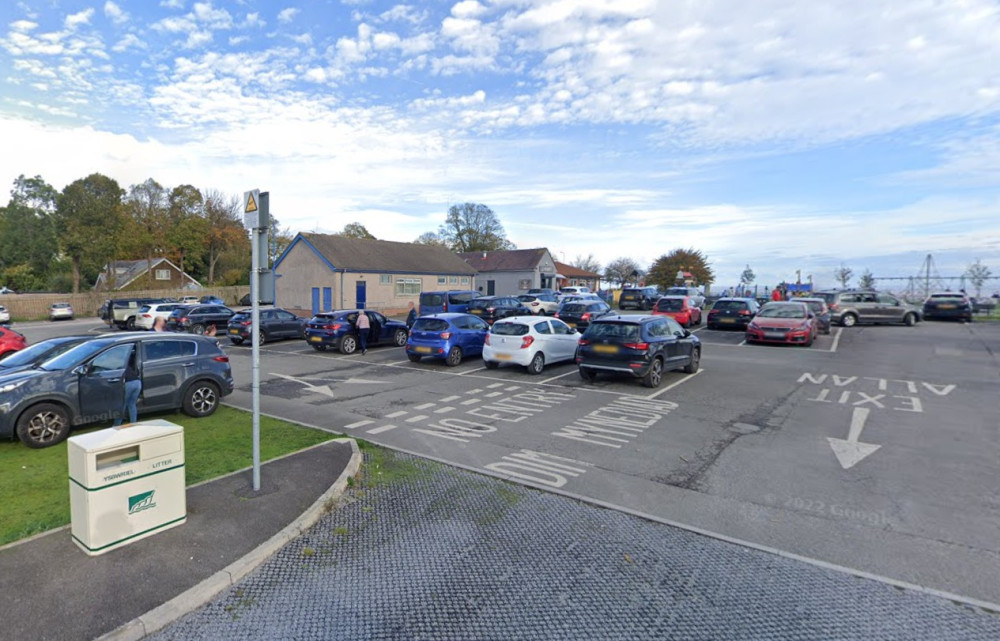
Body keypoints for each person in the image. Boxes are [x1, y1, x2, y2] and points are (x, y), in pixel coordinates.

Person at [113, 346, 141, 427]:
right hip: (138, 382)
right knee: (132, 404)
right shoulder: (126, 363)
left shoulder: (117, 364)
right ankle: (133, 423)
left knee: (122, 404)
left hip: (129, 383)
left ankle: (116, 425)